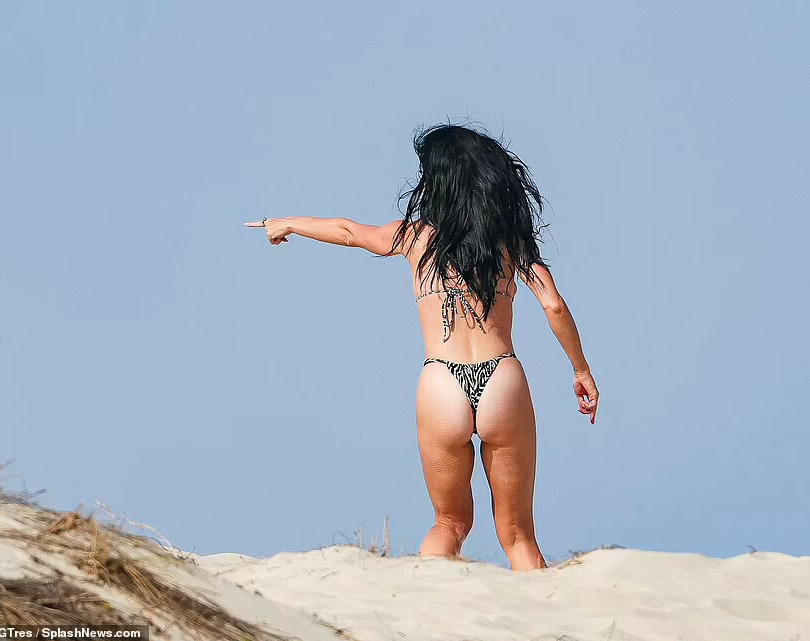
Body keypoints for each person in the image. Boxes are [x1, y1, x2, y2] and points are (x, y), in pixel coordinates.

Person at [245, 123, 598, 571]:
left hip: (440, 381)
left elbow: (349, 231)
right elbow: (553, 305)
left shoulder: (413, 237)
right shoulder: (510, 243)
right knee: (517, 534)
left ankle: (423, 601)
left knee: (449, 522)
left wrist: (287, 223)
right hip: (502, 377)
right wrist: (580, 370)